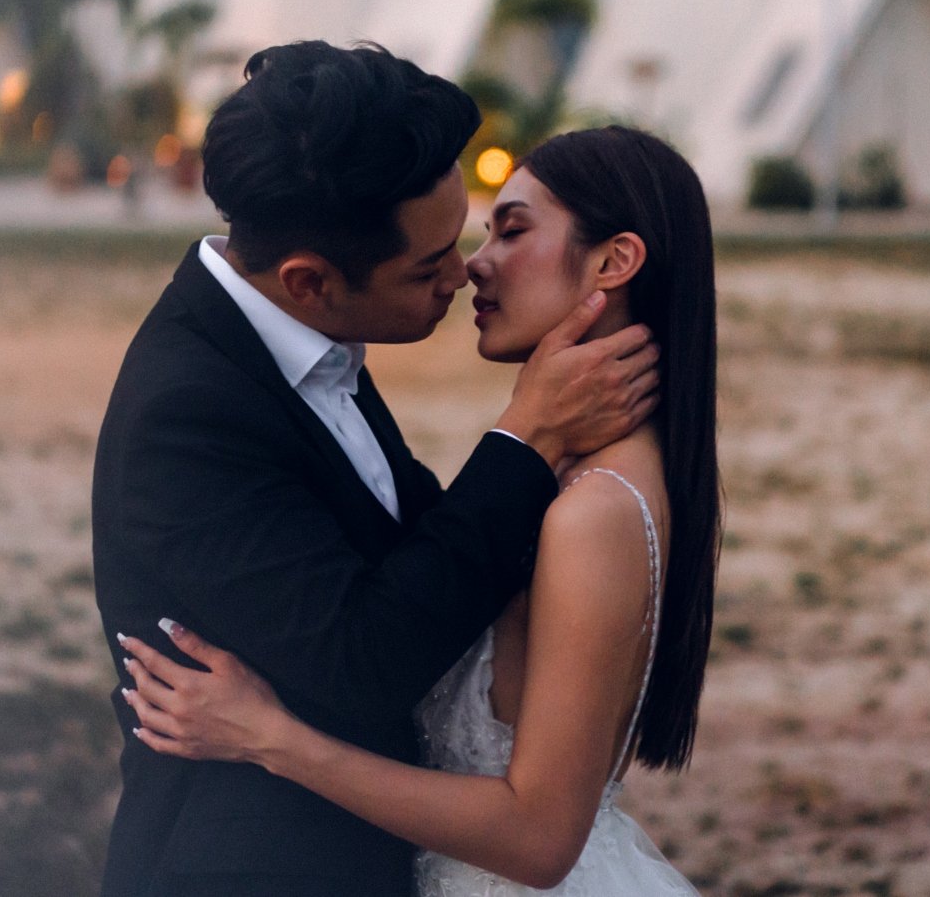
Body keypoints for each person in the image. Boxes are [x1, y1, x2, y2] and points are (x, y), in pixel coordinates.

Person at [92, 47, 662, 897]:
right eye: (426, 266)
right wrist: (526, 435)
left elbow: (411, 561)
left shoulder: (300, 342)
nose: (461, 271)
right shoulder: (189, 409)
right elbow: (363, 660)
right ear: (309, 281)